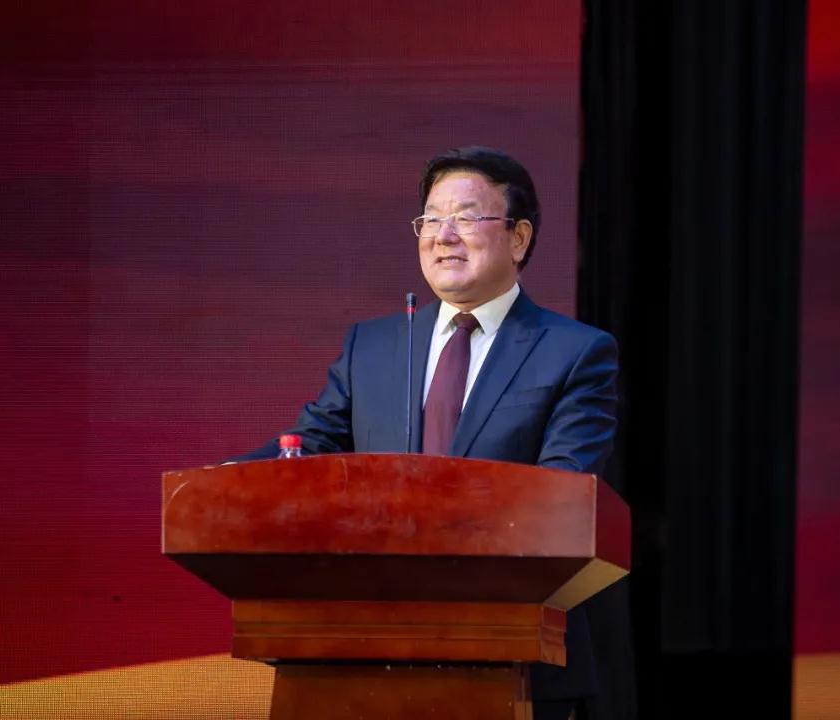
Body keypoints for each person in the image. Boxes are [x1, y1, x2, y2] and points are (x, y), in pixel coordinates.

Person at [237, 146, 619, 719]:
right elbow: (310, 446)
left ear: (518, 238)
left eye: (465, 217)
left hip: (514, 655)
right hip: (357, 653)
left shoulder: (575, 352)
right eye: (431, 219)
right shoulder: (373, 346)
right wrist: (230, 482)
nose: (444, 236)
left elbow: (563, 493)